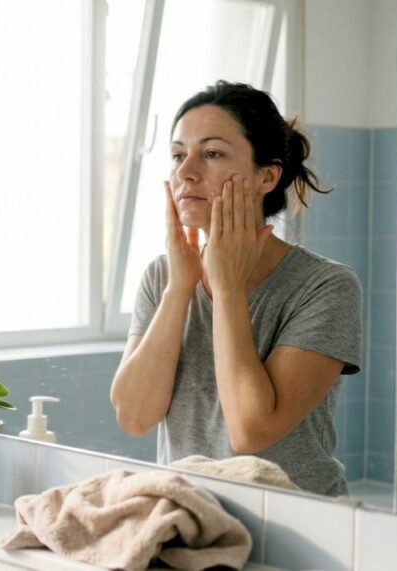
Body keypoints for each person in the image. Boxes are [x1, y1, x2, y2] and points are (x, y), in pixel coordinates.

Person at [109, 81, 361, 496]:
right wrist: (179, 290)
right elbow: (134, 417)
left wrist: (227, 290)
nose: (185, 172)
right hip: (194, 515)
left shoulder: (325, 287)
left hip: (298, 519)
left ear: (267, 176)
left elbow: (249, 431)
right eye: (178, 155)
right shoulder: (163, 276)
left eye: (212, 154)